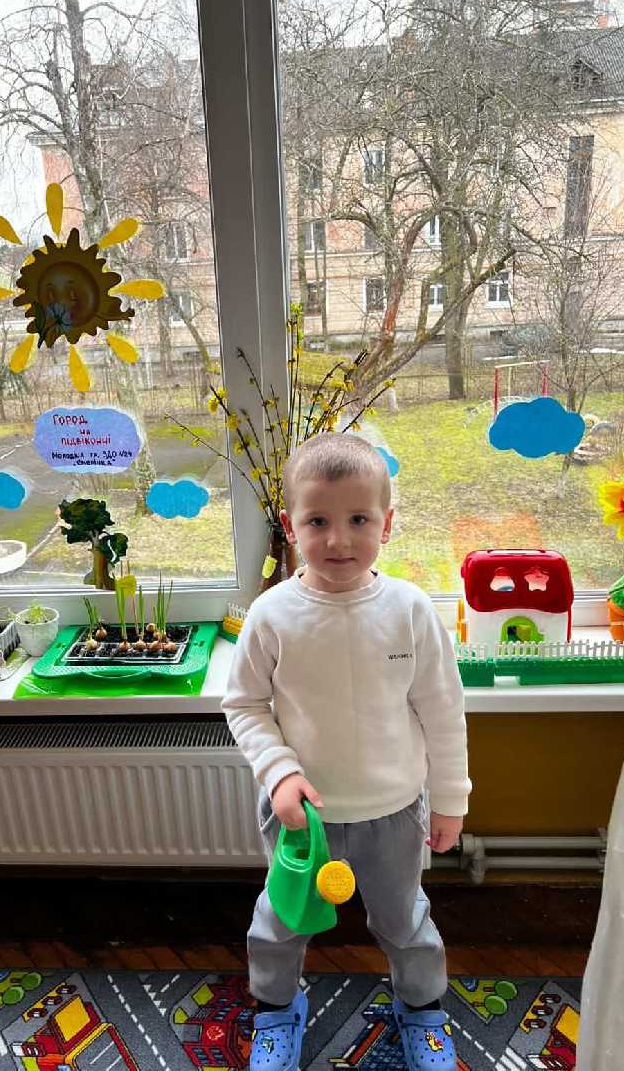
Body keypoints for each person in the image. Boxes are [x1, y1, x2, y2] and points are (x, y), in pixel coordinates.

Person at [222, 433, 471, 1071]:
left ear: (387, 524)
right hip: (302, 820)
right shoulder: (271, 615)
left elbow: (444, 713)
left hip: (395, 813)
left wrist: (450, 802)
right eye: (318, 522)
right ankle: (276, 1009)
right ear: (290, 526)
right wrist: (279, 773)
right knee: (281, 923)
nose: (339, 540)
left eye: (359, 519)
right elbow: (244, 704)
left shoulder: (411, 610)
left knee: (406, 921)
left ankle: (422, 1009)